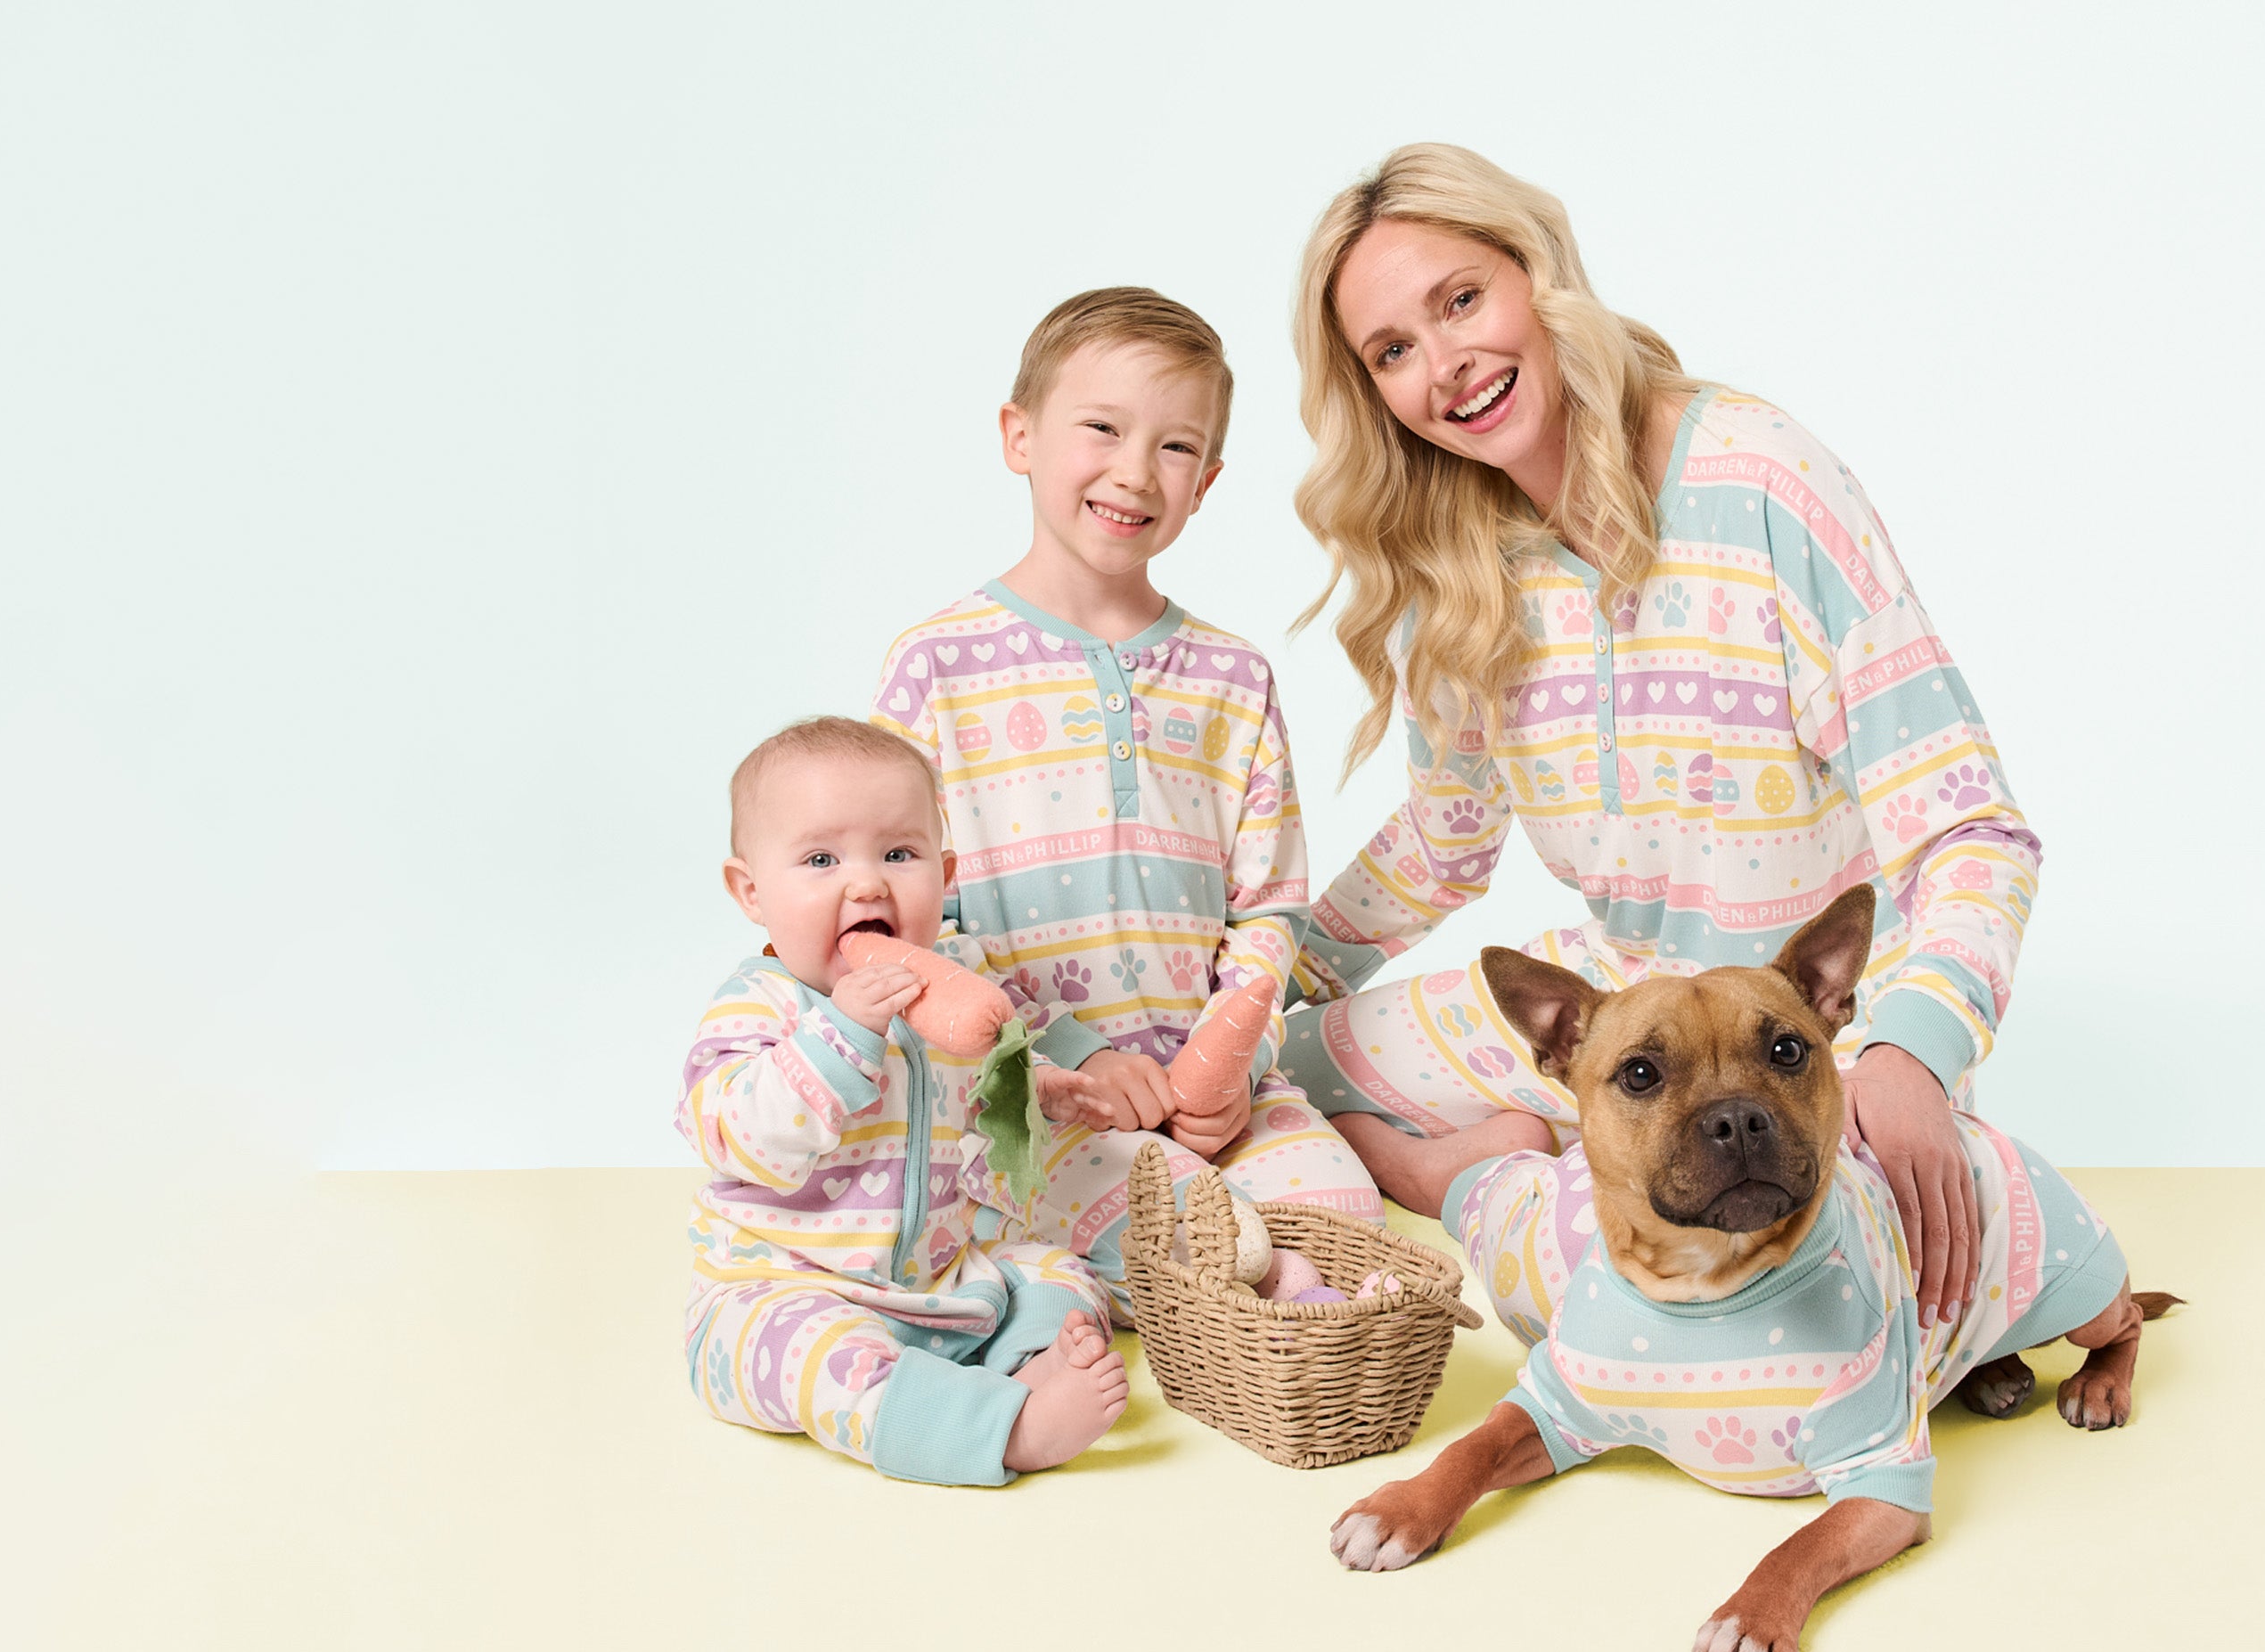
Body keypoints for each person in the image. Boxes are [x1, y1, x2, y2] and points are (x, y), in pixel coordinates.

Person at [1272, 144, 2043, 1313]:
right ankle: (1463, 1169)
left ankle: (1505, 1186)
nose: (1445, 364)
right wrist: (1258, 976)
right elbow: (1442, 844)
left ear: (1537, 273)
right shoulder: (1462, 567)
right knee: (1267, 1067)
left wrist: (1910, 1054)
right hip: (1619, 1019)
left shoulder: (1761, 479)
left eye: (1461, 300)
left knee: (1789, 1299)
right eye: (1392, 351)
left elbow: (1971, 829)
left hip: (1807, 1046)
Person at [861, 288, 1379, 1296]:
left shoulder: (1233, 677)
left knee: (1344, 1235)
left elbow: (1268, 908)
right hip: (1036, 1098)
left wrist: (1228, 1064)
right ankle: (1061, 1273)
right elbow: (911, 922)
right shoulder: (935, 668)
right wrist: (1075, 1056)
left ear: (1207, 483)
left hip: (1217, 1095)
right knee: (1195, 1250)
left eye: (1176, 447)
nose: (1137, 471)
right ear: (1019, 436)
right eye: (1102, 428)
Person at [677, 718, 1131, 1485]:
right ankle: (998, 1430)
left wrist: (1034, 1087)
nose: (866, 885)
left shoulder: (952, 981)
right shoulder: (761, 1004)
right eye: (821, 860)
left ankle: (1032, 1362)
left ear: (945, 874)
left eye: (898, 854)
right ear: (751, 891)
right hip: (790, 1286)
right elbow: (730, 1132)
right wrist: (841, 1036)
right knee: (818, 1359)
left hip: (941, 1283)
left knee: (1059, 1270)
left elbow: (980, 1084)